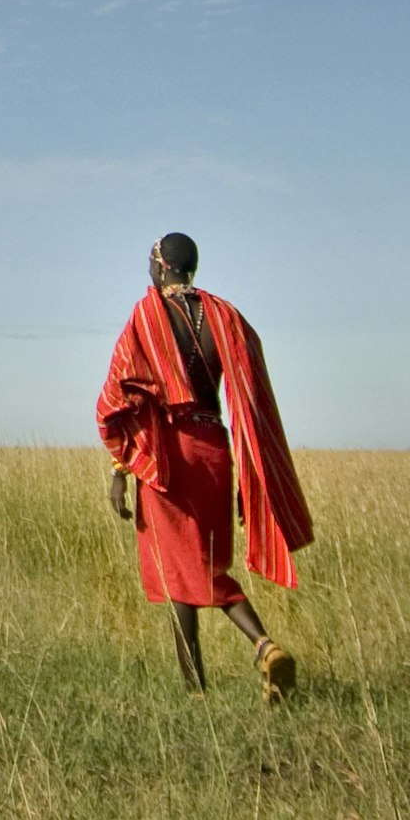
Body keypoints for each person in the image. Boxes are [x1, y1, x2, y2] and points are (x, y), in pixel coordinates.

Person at [94, 231, 313, 698]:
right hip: (216, 449)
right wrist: (249, 479)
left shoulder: (148, 315)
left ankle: (208, 682)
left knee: (177, 571)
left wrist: (120, 467)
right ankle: (263, 648)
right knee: (205, 561)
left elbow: (119, 395)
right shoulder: (225, 317)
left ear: (160, 265)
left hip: (169, 455)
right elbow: (252, 399)